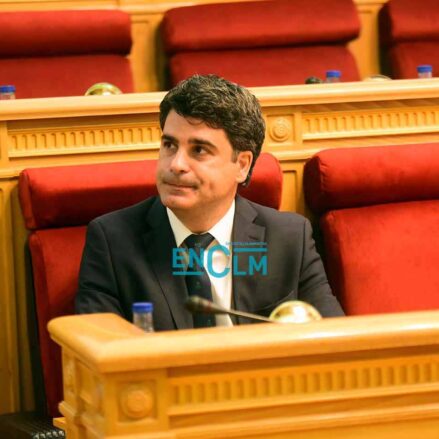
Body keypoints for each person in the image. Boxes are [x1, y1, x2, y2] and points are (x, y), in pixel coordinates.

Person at [75, 74, 344, 330]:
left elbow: (334, 343)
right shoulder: (113, 242)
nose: (176, 164)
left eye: (199, 150)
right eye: (169, 145)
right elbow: (98, 356)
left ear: (241, 165)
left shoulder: (288, 238)